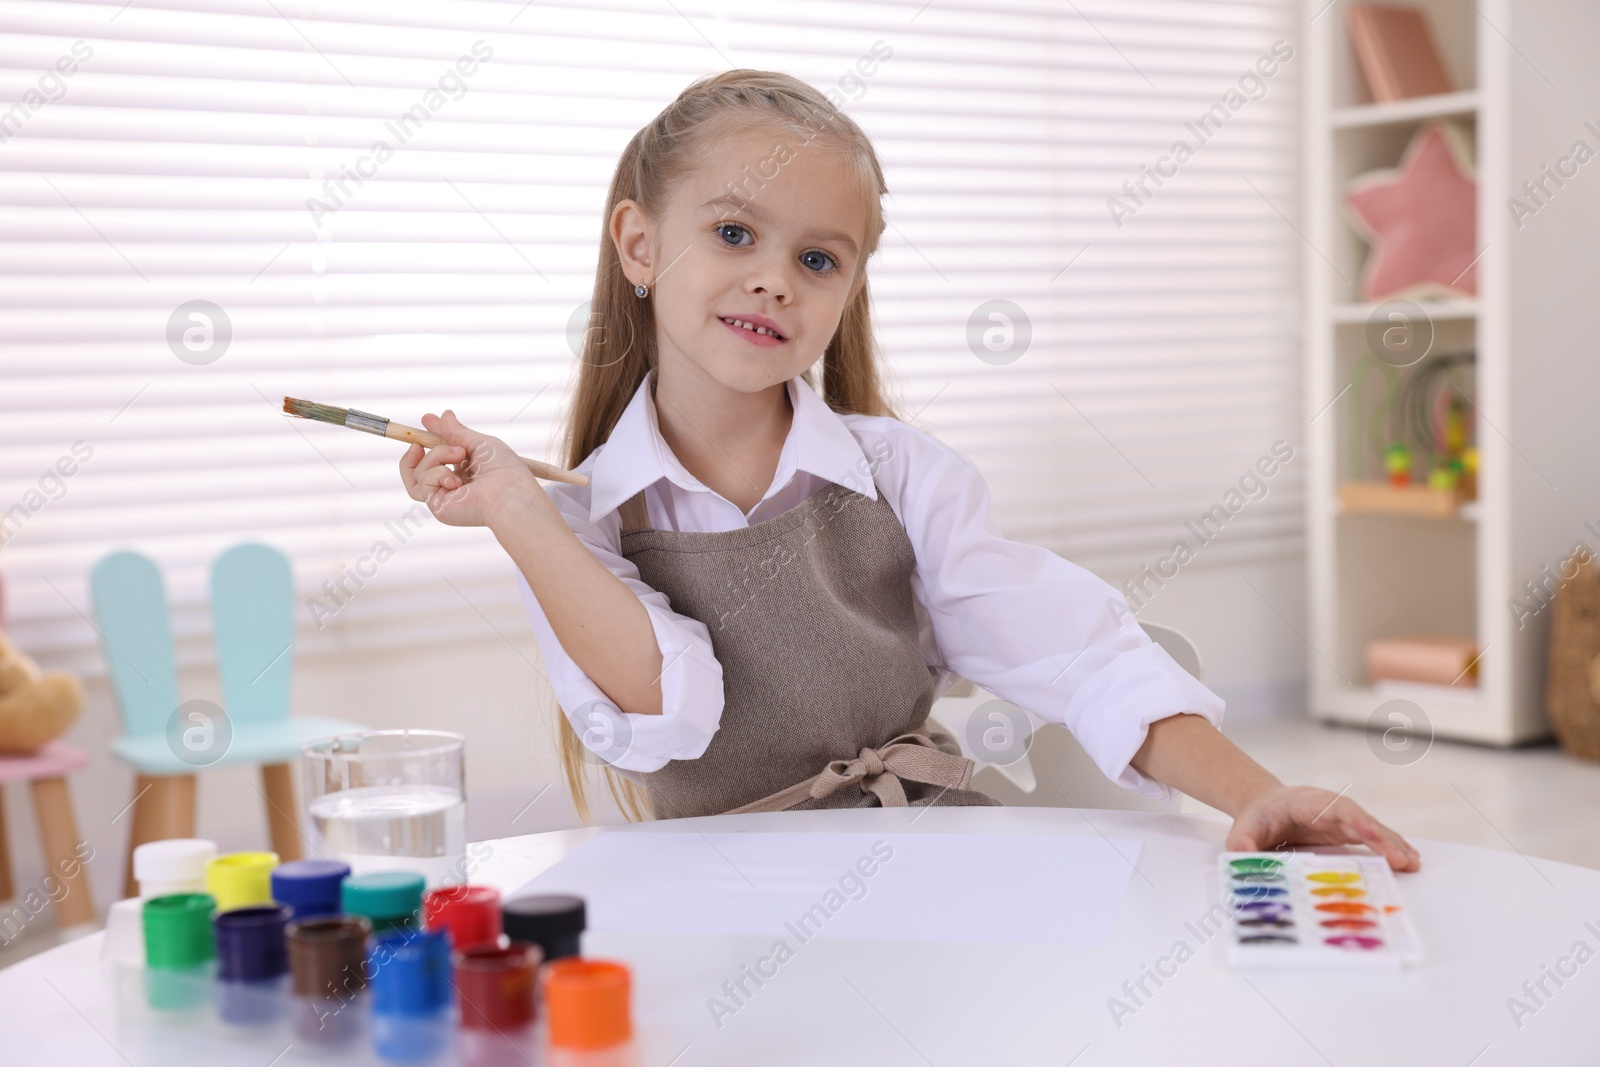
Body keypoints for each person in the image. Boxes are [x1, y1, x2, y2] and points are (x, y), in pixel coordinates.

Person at [397, 69, 1420, 872]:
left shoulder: (900, 473)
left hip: (929, 856)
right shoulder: (574, 520)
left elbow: (1081, 651)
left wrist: (1255, 791)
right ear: (638, 242)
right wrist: (515, 515)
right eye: (732, 231)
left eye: (817, 258)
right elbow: (676, 708)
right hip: (717, 894)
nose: (771, 275)